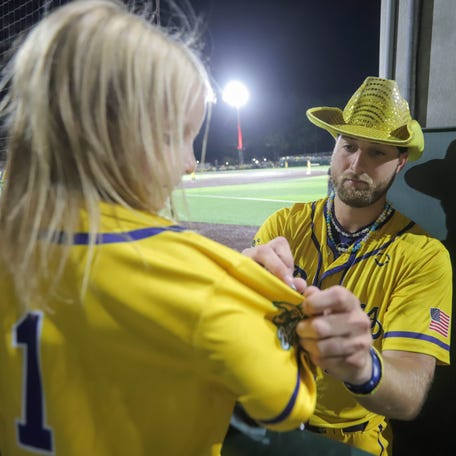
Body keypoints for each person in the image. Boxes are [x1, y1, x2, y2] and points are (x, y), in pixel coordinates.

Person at [0, 1, 318, 455]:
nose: (190, 164)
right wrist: (263, 301)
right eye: (176, 138)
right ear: (117, 138)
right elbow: (285, 402)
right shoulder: (203, 280)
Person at [241, 76, 453, 455]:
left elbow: (409, 396)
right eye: (349, 146)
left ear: (400, 162)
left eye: (377, 153)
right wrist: (235, 287)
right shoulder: (283, 226)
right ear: (334, 147)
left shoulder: (423, 255)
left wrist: (362, 367)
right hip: (270, 421)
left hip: (353, 439)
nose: (357, 164)